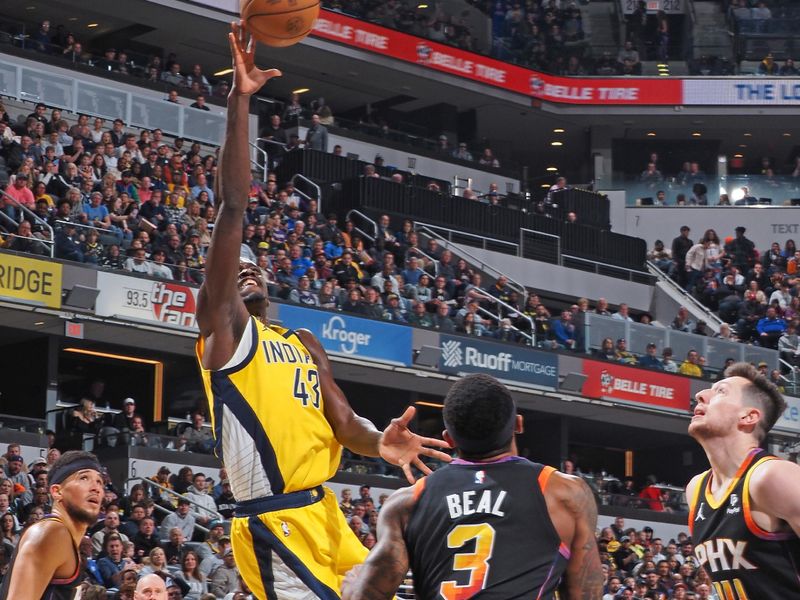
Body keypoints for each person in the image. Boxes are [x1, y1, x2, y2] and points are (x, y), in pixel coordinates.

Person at [194, 21, 451, 600]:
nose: (248, 267)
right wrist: (240, 101)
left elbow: (345, 424)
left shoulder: (304, 340)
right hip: (271, 519)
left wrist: (378, 442)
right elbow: (234, 205)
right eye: (235, 269)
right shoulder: (226, 335)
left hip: (327, 513)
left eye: (255, 264)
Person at [342, 373, 603, 599]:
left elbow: (368, 594)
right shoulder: (564, 493)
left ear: (448, 439)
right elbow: (583, 593)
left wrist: (352, 587)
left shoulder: (407, 502)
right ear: (519, 424)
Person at [686, 362, 800, 598]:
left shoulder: (772, 476)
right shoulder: (696, 489)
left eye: (720, 391)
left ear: (748, 416)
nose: (700, 394)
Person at [0, 451, 104, 600]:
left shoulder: (64, 538)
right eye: (84, 478)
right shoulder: (52, 533)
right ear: (57, 491)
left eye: (99, 481)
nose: (96, 488)